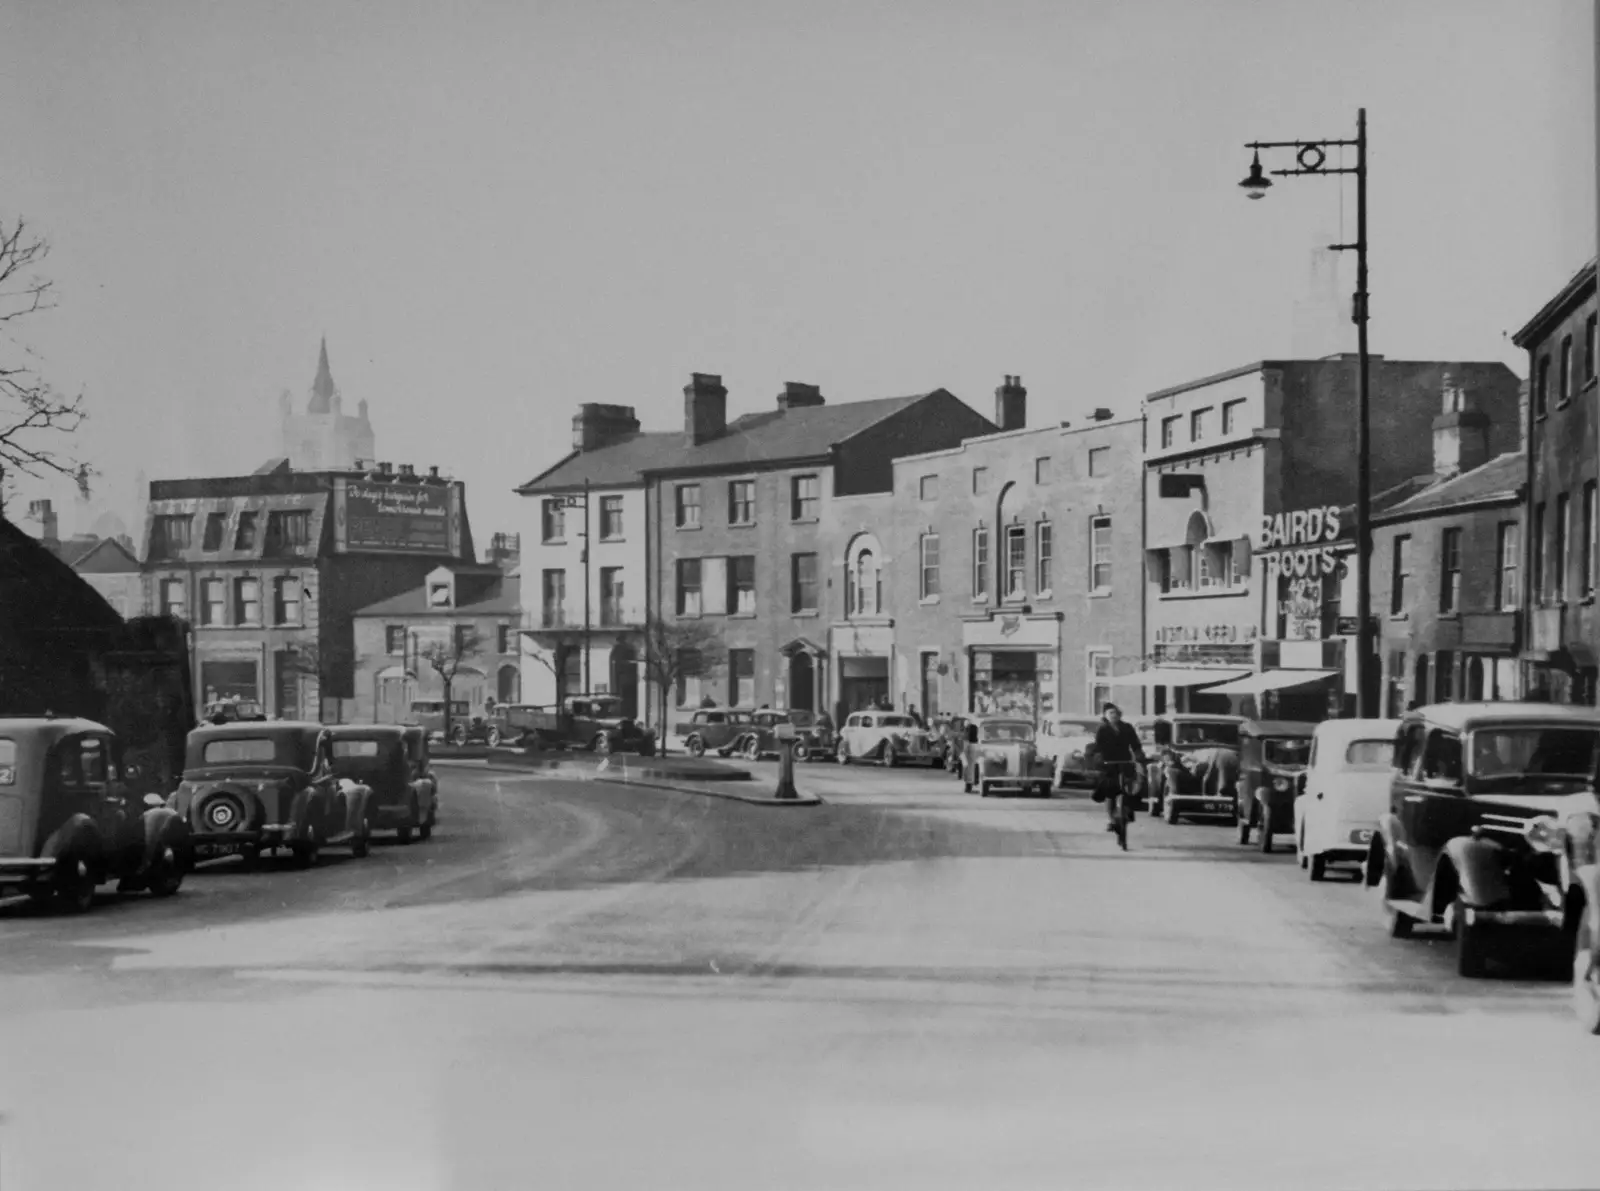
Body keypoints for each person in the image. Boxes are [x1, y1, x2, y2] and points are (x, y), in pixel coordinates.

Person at [1093, 703, 1147, 834]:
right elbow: (1098, 747)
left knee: (1131, 786)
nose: (1114, 716)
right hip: (1109, 763)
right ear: (1106, 715)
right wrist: (1099, 759)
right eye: (1111, 713)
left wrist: (1139, 756)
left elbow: (1135, 745)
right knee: (1110, 791)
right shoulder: (1102, 729)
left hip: (1125, 761)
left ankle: (1129, 810)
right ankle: (1111, 819)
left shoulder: (1127, 727)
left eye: (1116, 713)